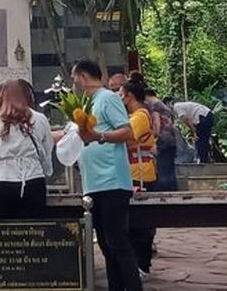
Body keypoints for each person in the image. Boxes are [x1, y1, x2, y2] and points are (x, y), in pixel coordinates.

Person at [73, 60, 142, 291]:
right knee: (105, 244)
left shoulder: (108, 98)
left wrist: (99, 137)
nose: (74, 83)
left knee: (118, 242)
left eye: (75, 78)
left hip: (112, 179)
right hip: (93, 183)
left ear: (83, 76)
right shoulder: (87, 102)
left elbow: (127, 131)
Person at [0, 79, 53, 218]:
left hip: (1, 180)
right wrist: (47, 171)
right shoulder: (40, 119)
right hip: (32, 179)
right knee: (34, 232)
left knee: (2, 233)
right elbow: (46, 150)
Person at [120, 76, 157, 278]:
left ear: (129, 96)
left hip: (140, 173)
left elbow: (126, 136)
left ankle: (142, 264)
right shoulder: (136, 115)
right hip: (132, 172)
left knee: (140, 223)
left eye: (120, 94)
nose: (119, 98)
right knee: (132, 223)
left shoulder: (140, 116)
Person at [144, 86, 177, 191]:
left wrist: (151, 136)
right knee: (170, 170)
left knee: (163, 170)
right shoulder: (163, 106)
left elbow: (157, 126)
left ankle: (166, 196)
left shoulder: (154, 107)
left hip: (162, 140)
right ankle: (174, 193)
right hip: (171, 139)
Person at [168, 98, 214, 163]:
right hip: (208, 115)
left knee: (199, 139)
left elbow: (187, 120)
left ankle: (203, 160)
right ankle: (205, 159)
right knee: (204, 139)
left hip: (203, 116)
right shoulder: (181, 106)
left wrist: (194, 132)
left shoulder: (176, 107)